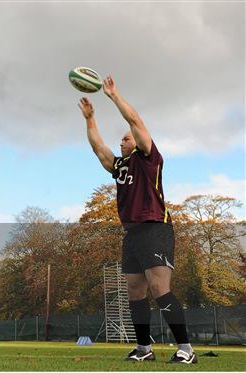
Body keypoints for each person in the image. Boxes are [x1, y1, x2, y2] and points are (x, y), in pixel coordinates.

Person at [78, 75, 197, 364]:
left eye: (127, 136)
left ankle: (186, 350)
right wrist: (90, 119)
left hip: (155, 227)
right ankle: (144, 349)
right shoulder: (119, 167)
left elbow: (136, 121)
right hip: (131, 233)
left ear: (139, 141)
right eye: (121, 138)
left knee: (159, 288)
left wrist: (114, 96)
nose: (123, 139)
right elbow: (98, 149)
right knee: (134, 290)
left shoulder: (149, 157)